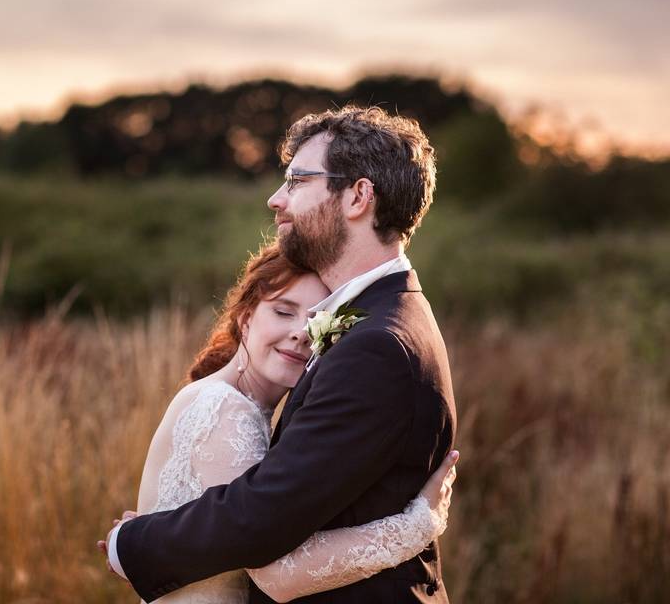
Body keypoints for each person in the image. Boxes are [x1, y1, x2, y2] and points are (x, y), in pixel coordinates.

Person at [103, 105, 457, 602]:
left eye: (296, 181)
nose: (275, 200)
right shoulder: (386, 317)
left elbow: (263, 518)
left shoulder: (377, 344)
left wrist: (134, 542)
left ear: (358, 196)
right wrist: (415, 527)